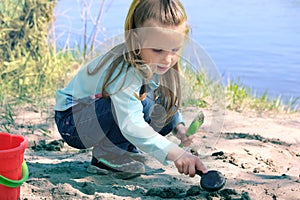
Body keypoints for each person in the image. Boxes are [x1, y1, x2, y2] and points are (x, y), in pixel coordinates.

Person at [54, 0, 208, 179]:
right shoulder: (125, 72)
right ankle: (107, 155)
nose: (167, 59)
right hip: (73, 121)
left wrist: (179, 128)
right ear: (136, 39)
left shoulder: (153, 61)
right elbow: (131, 124)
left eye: (175, 49)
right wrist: (175, 153)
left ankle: (123, 149)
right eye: (158, 49)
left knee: (159, 101)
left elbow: (164, 101)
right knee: (139, 101)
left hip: (97, 113)